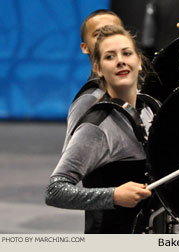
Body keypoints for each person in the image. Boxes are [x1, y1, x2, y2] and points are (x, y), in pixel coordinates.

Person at [45, 25, 154, 234]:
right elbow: (54, 190)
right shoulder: (96, 127)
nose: (120, 60)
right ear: (98, 68)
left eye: (127, 53)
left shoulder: (150, 109)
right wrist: (114, 196)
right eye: (110, 57)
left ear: (139, 61)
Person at [62, 9, 123, 152]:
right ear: (85, 47)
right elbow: (69, 168)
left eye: (114, 32)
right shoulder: (89, 100)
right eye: (98, 34)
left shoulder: (141, 91)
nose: (107, 39)